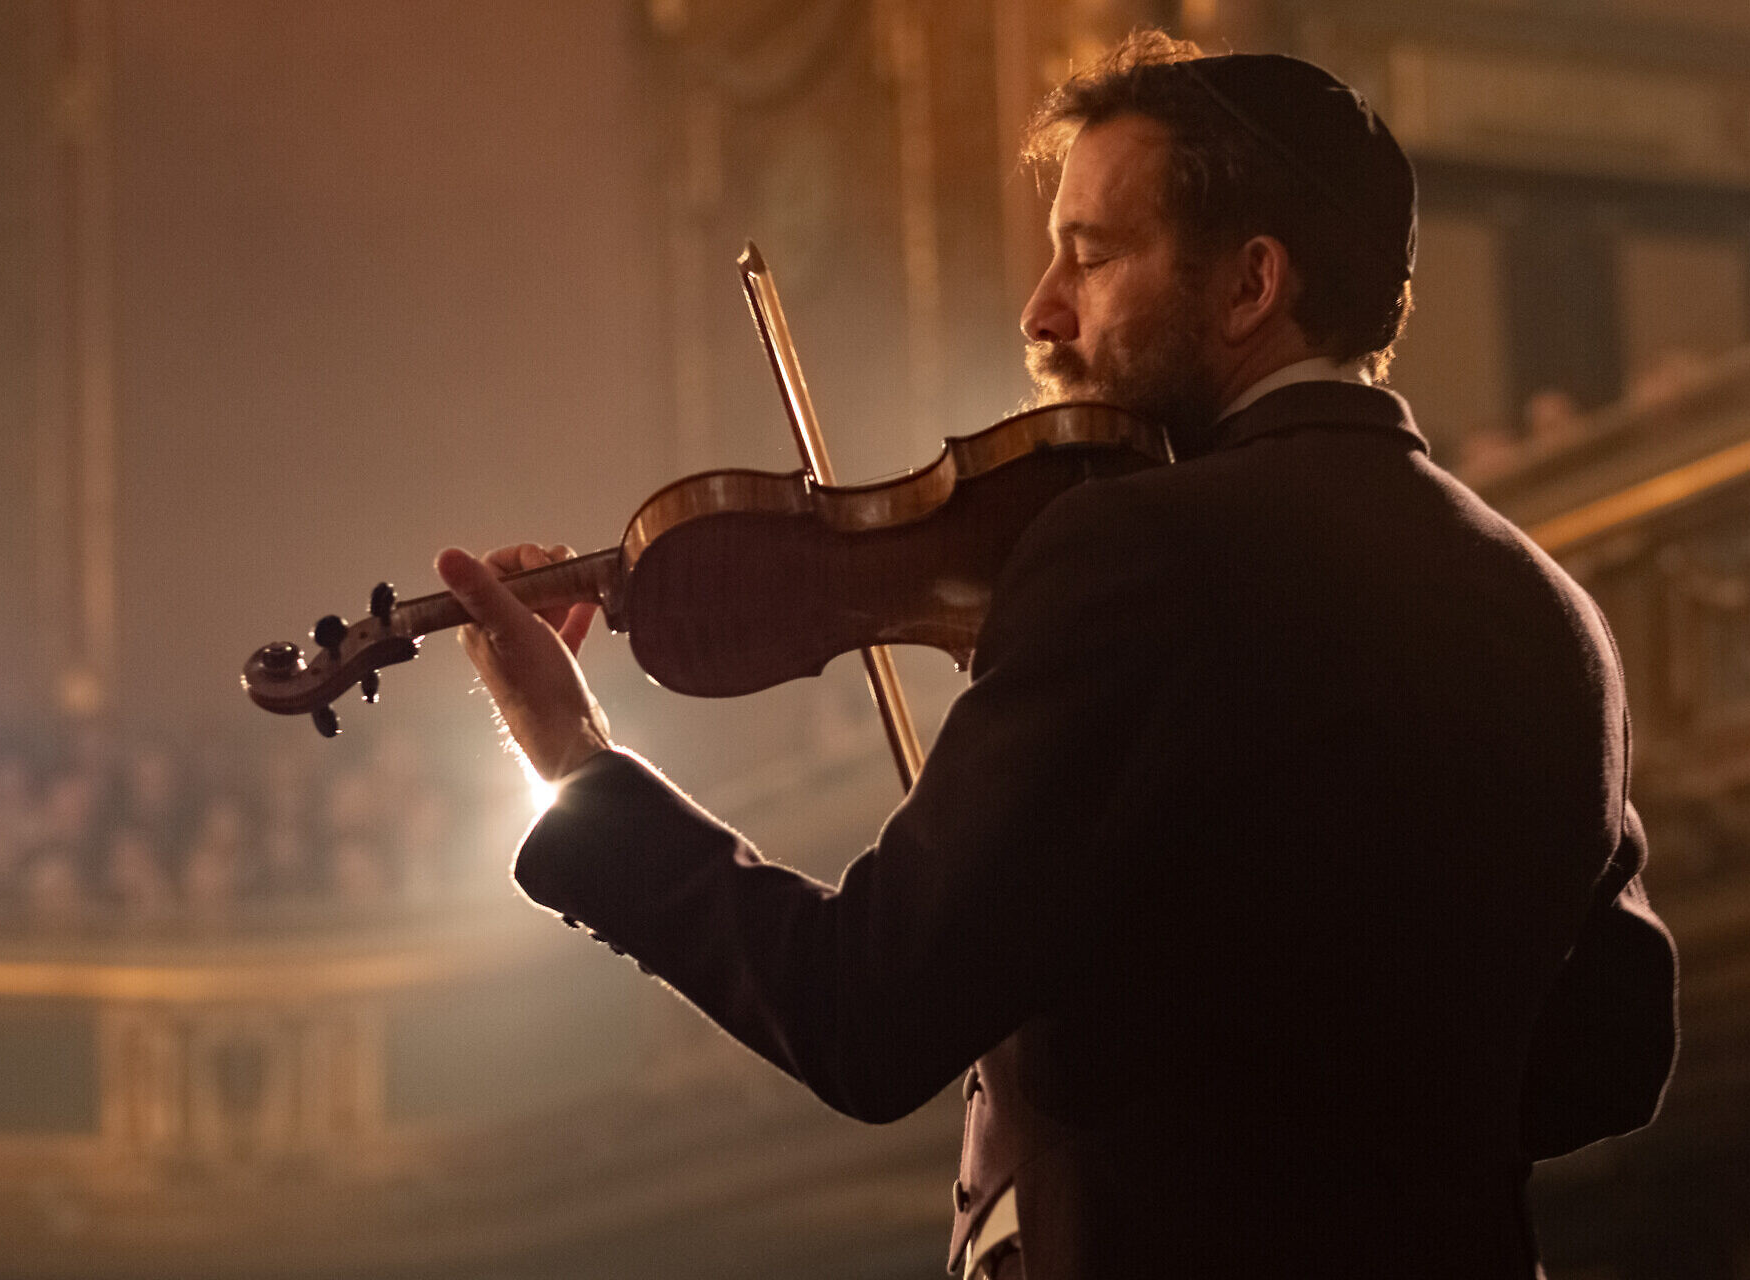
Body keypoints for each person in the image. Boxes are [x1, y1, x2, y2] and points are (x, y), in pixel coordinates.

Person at [434, 34, 1677, 1280]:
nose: (1041, 308)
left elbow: (863, 1011)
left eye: (1090, 253)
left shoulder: (1140, 552)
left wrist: (576, 760)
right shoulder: (1551, 611)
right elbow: (1611, 1055)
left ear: (1250, 285)